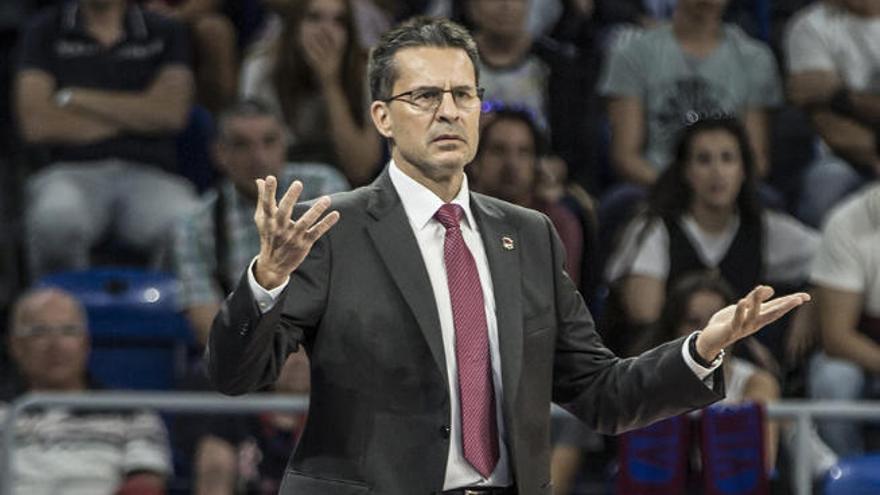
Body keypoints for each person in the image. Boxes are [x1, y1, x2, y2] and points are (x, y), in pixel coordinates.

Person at [206, 17, 810, 494]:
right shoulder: (333, 227)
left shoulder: (531, 235)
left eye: (463, 95)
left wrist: (703, 347)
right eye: (424, 96)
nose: (448, 111)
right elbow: (238, 375)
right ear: (382, 118)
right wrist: (267, 279)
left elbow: (600, 392)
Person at [15, 0, 198, 279]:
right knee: (55, 221)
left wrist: (74, 97)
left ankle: (163, 316)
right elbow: (38, 124)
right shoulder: (44, 30)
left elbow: (171, 114)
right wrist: (139, 114)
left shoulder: (165, 31)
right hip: (70, 172)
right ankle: (62, 316)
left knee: (187, 223)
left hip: (151, 174)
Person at [604, 117, 818, 354]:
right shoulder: (654, 229)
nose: (717, 172)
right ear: (685, 170)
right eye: (704, 160)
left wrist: (811, 305)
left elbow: (834, 258)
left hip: (731, 360)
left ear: (743, 170)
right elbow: (645, 317)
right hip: (662, 361)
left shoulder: (765, 227)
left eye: (727, 159)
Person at [169, 99, 349, 347]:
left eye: (269, 141)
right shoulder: (195, 223)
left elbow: (344, 284)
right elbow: (208, 325)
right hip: (250, 358)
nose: (259, 157)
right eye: (242, 145)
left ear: (285, 144)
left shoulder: (323, 187)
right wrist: (271, 360)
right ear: (220, 153)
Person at [2, 287, 172, 495]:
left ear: (86, 344)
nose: (56, 345)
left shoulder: (131, 412)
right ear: (15, 346)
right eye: (39, 332)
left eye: (68, 331)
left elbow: (147, 483)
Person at [599, 0, 781, 188]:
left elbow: (756, 159)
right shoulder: (632, 54)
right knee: (623, 203)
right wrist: (680, 194)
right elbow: (626, 157)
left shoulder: (756, 59)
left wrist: (716, 190)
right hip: (654, 184)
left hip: (729, 189)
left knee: (766, 201)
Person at [239, 0, 382, 186]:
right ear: (295, 25)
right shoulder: (261, 67)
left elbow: (360, 169)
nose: (326, 30)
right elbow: (255, 158)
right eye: (314, 18)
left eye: (339, 21)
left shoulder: (365, 71)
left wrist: (330, 84)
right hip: (276, 186)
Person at [784, 0, 880, 227]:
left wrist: (840, 96)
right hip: (844, 159)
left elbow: (822, 97)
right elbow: (827, 124)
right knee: (824, 186)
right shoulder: (811, 26)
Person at [468, 108, 585, 290]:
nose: (511, 164)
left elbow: (559, 301)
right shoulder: (454, 220)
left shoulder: (556, 223)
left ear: (536, 164)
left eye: (523, 152)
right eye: (498, 151)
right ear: (475, 161)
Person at [807, 183, 880, 456]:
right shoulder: (847, 222)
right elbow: (837, 338)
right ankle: (849, 479)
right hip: (861, 353)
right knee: (833, 379)